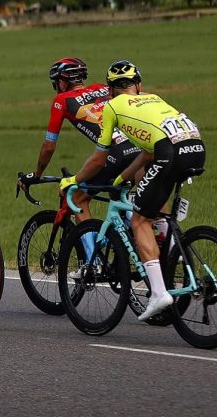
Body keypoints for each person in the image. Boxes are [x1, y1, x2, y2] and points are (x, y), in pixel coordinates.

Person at [59, 60, 205, 321]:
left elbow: (98, 159)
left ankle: (159, 293)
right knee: (157, 207)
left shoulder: (113, 106)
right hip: (196, 148)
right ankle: (174, 252)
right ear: (138, 84)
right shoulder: (153, 98)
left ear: (110, 90)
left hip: (169, 153)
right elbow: (147, 153)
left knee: (139, 221)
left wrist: (73, 181)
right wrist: (120, 180)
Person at [18, 58, 141, 222]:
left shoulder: (61, 101)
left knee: (77, 198)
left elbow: (49, 146)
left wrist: (37, 174)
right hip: (139, 147)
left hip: (114, 153)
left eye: (56, 83)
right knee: (132, 199)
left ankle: (92, 248)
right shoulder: (102, 88)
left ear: (62, 82)